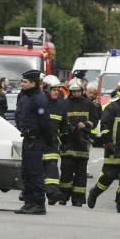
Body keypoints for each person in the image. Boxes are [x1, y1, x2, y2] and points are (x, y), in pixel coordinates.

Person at [87, 78, 120, 214]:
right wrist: (108, 143)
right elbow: (104, 126)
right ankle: (95, 192)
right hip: (114, 149)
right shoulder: (112, 107)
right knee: (108, 176)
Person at [14, 69, 51, 215]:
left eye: (25, 82)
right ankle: (29, 202)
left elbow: (45, 122)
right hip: (27, 139)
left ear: (33, 83)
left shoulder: (39, 98)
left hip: (36, 140)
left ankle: (39, 204)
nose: (22, 84)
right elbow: (19, 114)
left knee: (35, 173)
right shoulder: (25, 97)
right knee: (26, 172)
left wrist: (47, 140)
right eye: (22, 81)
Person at [59, 78, 98, 206]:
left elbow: (94, 121)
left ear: (82, 90)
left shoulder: (88, 103)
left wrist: (86, 124)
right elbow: (60, 121)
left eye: (78, 91)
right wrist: (68, 127)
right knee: (66, 171)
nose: (75, 93)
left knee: (81, 174)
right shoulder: (64, 104)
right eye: (73, 91)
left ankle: (78, 199)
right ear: (70, 91)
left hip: (82, 142)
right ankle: (63, 196)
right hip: (68, 142)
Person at [41, 75, 67, 205]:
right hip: (38, 142)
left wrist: (64, 142)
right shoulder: (40, 103)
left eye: (58, 89)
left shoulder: (61, 106)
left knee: (52, 167)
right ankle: (27, 192)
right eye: (53, 89)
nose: (56, 92)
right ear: (46, 89)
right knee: (36, 170)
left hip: (52, 143)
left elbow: (64, 127)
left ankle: (52, 193)